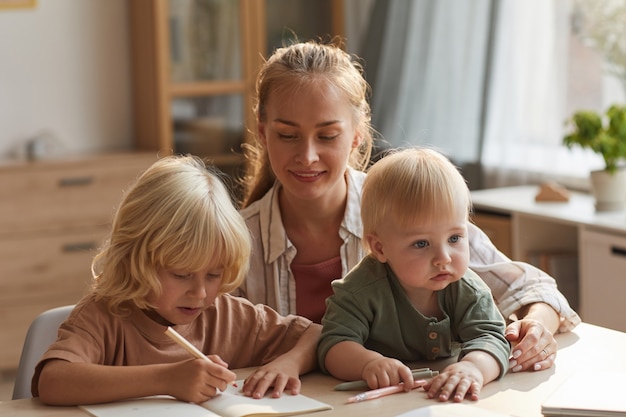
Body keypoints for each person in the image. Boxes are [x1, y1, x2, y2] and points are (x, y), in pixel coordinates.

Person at [236, 39, 580, 374]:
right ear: (264, 134)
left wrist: (536, 327)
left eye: (327, 136)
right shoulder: (237, 239)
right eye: (287, 135)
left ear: (356, 135)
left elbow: (534, 288)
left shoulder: (405, 204)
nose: (308, 155)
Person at [33, 154, 321, 406]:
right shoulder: (103, 316)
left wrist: (289, 363)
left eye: (213, 275)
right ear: (136, 260)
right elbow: (54, 380)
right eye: (181, 275)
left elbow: (317, 335)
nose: (199, 293)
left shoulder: (226, 315)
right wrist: (167, 379)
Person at [318, 147, 510, 402]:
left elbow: (492, 338)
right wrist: (368, 363)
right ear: (379, 247)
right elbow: (333, 344)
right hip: (382, 403)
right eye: (421, 243)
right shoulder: (359, 291)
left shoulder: (468, 290)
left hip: (441, 399)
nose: (444, 258)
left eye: (455, 238)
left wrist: (473, 367)